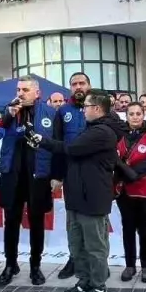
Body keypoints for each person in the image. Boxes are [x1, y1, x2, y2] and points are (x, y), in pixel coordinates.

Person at [34, 90, 125, 292]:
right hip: (76, 195)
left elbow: (72, 148)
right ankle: (84, 280)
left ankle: (98, 285)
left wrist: (43, 141)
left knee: (94, 245)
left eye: (86, 106)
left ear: (97, 109)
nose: (82, 110)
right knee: (77, 244)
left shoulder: (103, 131)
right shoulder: (90, 128)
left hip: (92, 197)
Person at [0, 77, 59, 287]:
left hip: (38, 174)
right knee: (10, 221)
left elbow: (57, 146)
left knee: (37, 220)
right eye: (18, 89)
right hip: (12, 173)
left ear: (37, 93)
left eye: (25, 89)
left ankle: (35, 265)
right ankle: (10, 264)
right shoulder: (9, 111)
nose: (20, 93)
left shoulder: (50, 113)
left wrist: (56, 175)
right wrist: (8, 115)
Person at [115, 102, 146, 282]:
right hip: (124, 190)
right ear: (126, 116)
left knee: (145, 229)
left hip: (145, 189)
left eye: (138, 114)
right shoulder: (118, 136)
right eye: (131, 114)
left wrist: (131, 173)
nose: (135, 117)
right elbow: (114, 159)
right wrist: (125, 173)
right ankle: (130, 266)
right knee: (127, 228)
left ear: (144, 115)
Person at [55, 72, 93, 281]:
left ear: (89, 85)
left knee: (95, 221)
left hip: (95, 174)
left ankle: (96, 261)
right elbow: (57, 144)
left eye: (82, 83)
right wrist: (57, 175)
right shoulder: (63, 111)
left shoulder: (99, 109)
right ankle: (74, 258)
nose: (78, 87)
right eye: (74, 84)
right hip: (71, 175)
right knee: (74, 221)